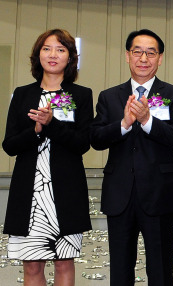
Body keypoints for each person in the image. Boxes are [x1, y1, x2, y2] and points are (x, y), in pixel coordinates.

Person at [90, 29, 173, 286]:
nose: (143, 58)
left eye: (151, 52)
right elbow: (96, 139)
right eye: (137, 51)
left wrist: (147, 120)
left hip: (160, 193)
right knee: (120, 269)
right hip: (119, 193)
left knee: (160, 268)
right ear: (127, 56)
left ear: (160, 58)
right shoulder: (109, 96)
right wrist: (124, 123)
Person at [3, 29, 92, 286]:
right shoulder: (22, 94)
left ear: (71, 58)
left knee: (64, 262)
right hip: (29, 192)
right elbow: (9, 145)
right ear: (37, 55)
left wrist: (52, 124)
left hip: (65, 191)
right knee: (32, 265)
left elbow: (82, 144)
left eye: (60, 49)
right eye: (47, 48)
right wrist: (36, 131)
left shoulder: (80, 95)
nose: (53, 54)